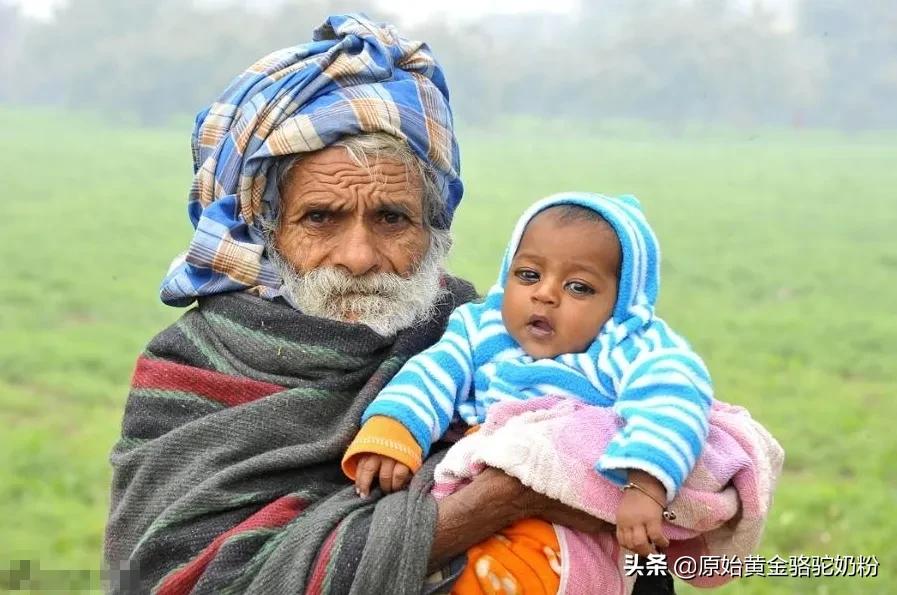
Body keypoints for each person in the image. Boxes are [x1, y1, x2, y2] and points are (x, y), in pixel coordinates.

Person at [104, 14, 674, 594]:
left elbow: (649, 524)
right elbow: (180, 576)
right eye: (320, 217)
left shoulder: (482, 334)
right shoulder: (196, 365)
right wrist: (502, 499)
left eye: (392, 218)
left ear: (433, 228)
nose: (358, 256)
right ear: (263, 229)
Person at [342, 193, 712, 592]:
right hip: (473, 496)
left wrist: (645, 486)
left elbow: (672, 400)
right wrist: (394, 430)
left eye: (579, 287)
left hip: (568, 525)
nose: (545, 294)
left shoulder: (630, 348)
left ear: (621, 302)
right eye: (529, 275)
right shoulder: (482, 328)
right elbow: (433, 373)